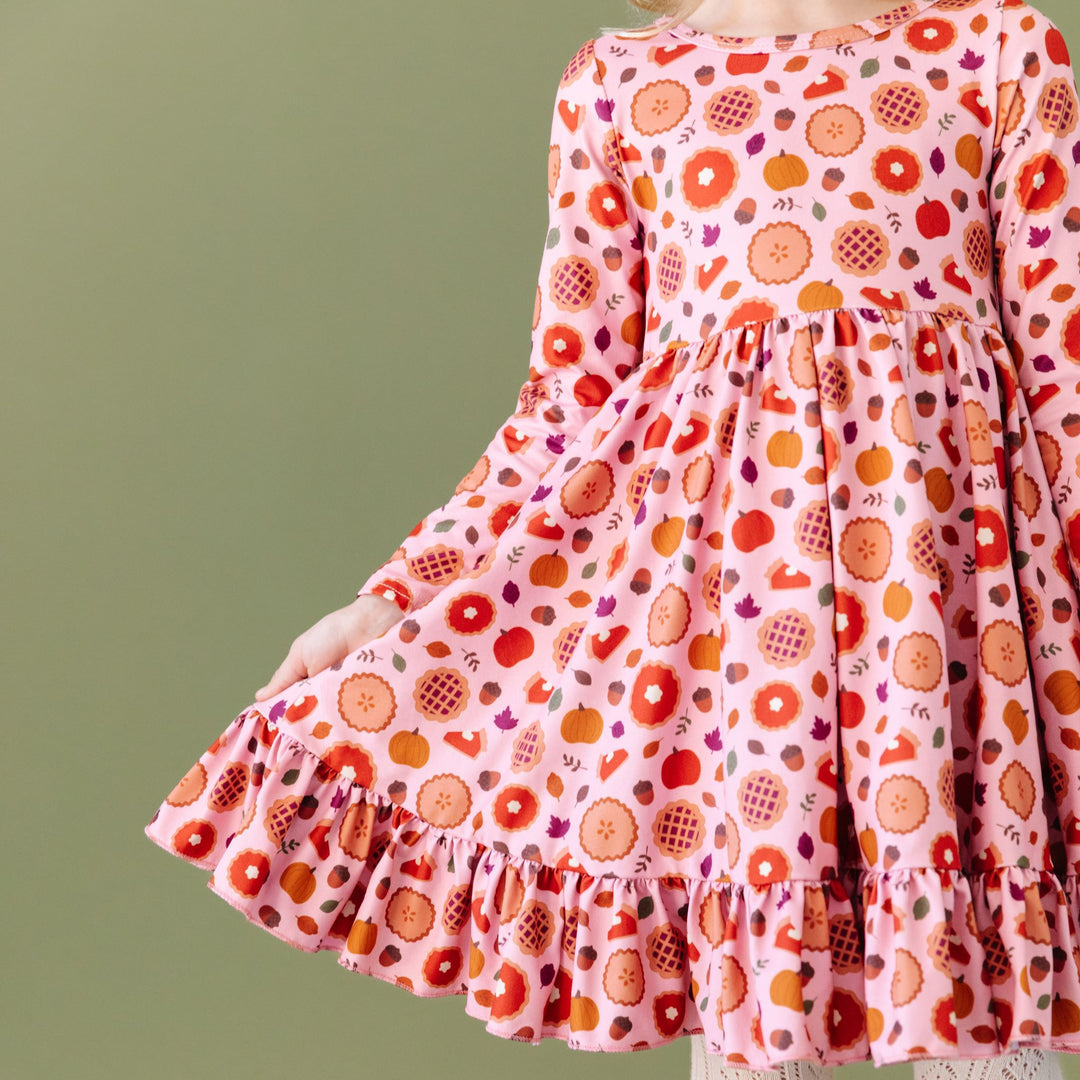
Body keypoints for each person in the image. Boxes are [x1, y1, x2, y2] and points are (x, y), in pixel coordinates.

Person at [144, 0, 1080, 1075]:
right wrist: (399, 597)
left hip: (954, 614)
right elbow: (566, 404)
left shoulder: (997, 48)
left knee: (990, 1009)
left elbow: (1062, 377)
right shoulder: (625, 83)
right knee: (764, 1007)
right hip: (737, 630)